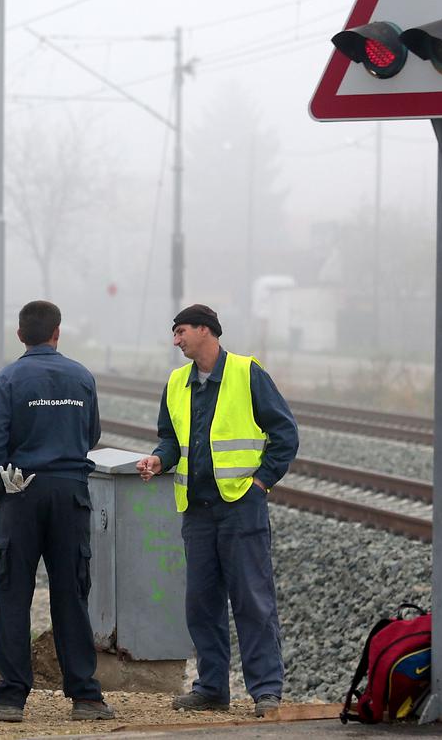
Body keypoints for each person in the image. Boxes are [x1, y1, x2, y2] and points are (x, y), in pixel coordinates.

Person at [136, 304, 299, 718]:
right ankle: (212, 688)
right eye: (174, 333)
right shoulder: (176, 383)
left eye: (181, 331)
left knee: (252, 601)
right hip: (197, 511)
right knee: (202, 605)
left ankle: (266, 691)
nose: (176, 340)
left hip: (240, 508)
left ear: (206, 331)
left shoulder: (247, 373)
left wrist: (261, 483)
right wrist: (159, 459)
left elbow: (285, 433)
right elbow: (170, 440)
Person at [0, 300, 114, 723]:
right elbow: (91, 434)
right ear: (57, 333)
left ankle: (11, 698)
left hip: (22, 493)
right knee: (72, 593)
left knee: (13, 593)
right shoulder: (82, 376)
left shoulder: (8, 378)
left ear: (20, 335)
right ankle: (87, 698)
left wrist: (0, 485)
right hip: (71, 494)